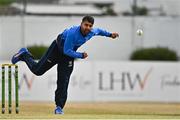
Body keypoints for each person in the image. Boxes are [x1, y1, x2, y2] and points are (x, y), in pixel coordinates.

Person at [11, 16, 119, 114]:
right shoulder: (73, 33)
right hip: (57, 50)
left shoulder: (92, 31)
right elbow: (66, 50)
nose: (87, 27)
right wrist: (80, 55)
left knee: (64, 81)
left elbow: (100, 31)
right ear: (81, 24)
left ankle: (59, 107)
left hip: (68, 55)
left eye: (90, 26)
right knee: (37, 71)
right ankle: (25, 54)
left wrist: (110, 35)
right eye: (86, 25)